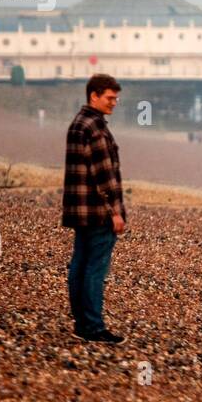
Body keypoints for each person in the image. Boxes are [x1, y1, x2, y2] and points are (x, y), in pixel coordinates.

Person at [62, 74, 127, 344]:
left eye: (116, 98)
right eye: (110, 98)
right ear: (94, 96)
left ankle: (81, 323)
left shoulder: (78, 123)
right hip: (98, 212)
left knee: (80, 265)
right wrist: (115, 212)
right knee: (95, 270)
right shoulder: (96, 128)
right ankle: (93, 327)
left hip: (79, 210)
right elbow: (104, 177)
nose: (114, 103)